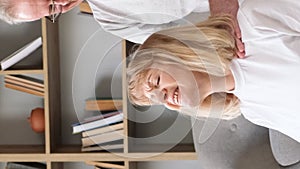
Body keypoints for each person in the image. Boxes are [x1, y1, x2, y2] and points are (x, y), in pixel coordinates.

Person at [127, 0, 300, 143]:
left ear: (173, 52)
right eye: (158, 99)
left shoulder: (254, 23)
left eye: (156, 81)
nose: (164, 96)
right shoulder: (253, 112)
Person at [0, 0, 244, 57]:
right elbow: (183, 43)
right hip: (249, 15)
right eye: (52, 9)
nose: (62, 4)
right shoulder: (110, 20)